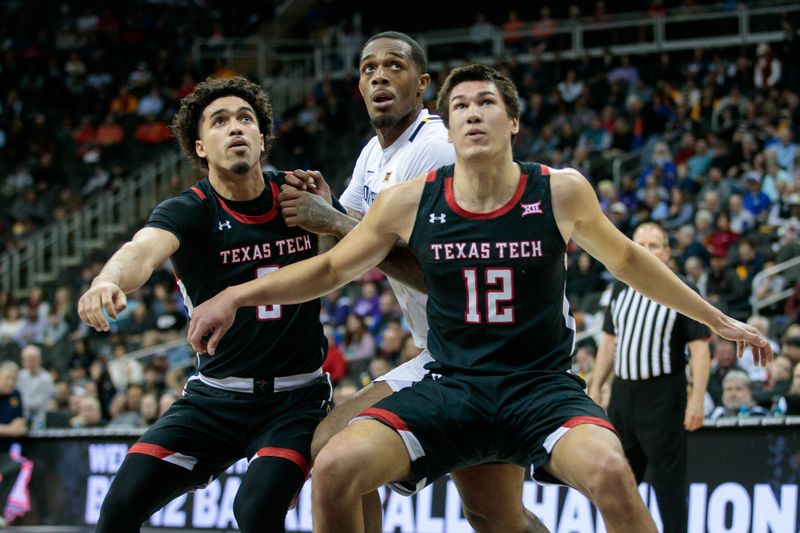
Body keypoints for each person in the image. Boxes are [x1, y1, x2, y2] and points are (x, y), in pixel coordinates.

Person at [187, 64, 772, 533]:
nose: (472, 113)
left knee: (607, 474)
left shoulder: (560, 190)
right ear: (450, 120)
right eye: (461, 105)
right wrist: (236, 295)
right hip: (452, 383)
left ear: (513, 122)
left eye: (486, 103)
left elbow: (627, 260)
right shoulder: (408, 201)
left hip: (538, 385)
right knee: (337, 465)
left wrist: (717, 320)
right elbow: (332, 266)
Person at [278, 32, 543, 532]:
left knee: (495, 515)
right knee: (489, 514)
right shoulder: (372, 156)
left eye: (394, 66)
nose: (379, 75)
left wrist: (335, 220)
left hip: (488, 353)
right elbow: (341, 259)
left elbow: (452, 276)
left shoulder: (439, 150)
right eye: (368, 68)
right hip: (439, 351)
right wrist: (326, 217)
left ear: (421, 84)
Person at [77, 76, 333, 533]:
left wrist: (331, 218)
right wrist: (106, 279)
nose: (235, 127)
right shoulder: (190, 210)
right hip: (215, 397)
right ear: (199, 147)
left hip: (296, 398)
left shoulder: (299, 197)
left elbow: (354, 253)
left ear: (262, 137)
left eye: (245, 119)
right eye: (220, 121)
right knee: (117, 511)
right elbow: (142, 249)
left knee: (255, 510)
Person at [588, 222, 711, 533]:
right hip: (623, 396)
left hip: (663, 396)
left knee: (668, 486)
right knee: (618, 482)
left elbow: (700, 350)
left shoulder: (683, 290)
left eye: (654, 245)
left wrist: (697, 400)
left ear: (667, 253)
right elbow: (608, 342)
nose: (646, 250)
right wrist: (596, 385)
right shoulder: (619, 287)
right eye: (640, 244)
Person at [0, 361, 26, 528]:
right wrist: (10, 429)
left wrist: (20, 426)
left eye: (14, 379)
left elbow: (21, 421)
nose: (11, 382)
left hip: (4, 451)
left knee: (14, 467)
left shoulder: (15, 394)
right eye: (7, 378)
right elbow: (13, 428)